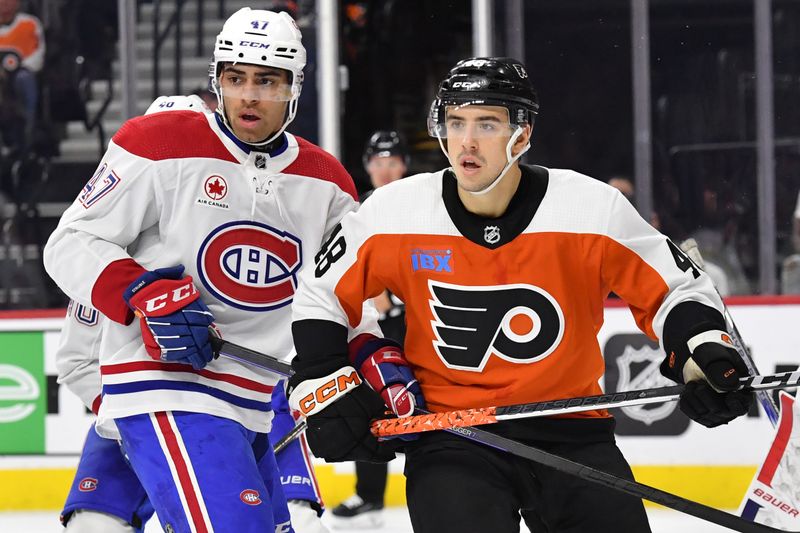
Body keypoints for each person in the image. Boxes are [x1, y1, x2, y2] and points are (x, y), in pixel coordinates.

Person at [285, 57, 753, 533]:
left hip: (571, 429)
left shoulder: (590, 209)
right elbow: (321, 296)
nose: (465, 141)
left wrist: (701, 350)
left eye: (486, 123)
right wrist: (324, 379)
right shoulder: (394, 213)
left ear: (523, 136)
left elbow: (676, 288)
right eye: (455, 122)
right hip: (452, 438)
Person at [44, 8, 380, 532]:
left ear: (294, 87)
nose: (249, 95)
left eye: (267, 81)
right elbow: (70, 240)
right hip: (166, 387)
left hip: (256, 402)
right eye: (236, 78)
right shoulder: (157, 143)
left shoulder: (329, 184)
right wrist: (140, 292)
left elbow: (339, 295)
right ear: (217, 81)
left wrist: (370, 355)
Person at [55, 97, 326, 533]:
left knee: (288, 518)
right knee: (93, 524)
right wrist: (120, 412)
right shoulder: (100, 257)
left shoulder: (228, 234)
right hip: (134, 417)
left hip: (247, 406)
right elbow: (75, 361)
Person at [330, 130, 409, 528]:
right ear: (366, 166)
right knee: (373, 406)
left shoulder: (422, 204)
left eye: (392, 161)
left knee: (435, 401)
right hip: (373, 325)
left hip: (419, 322)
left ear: (404, 165)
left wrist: (395, 297)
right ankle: (370, 493)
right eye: (377, 162)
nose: (385, 169)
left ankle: (443, 482)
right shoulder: (357, 209)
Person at [0, 0, 45, 150]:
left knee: (24, 79)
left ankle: (27, 131)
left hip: (21, 75)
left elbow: (38, 55)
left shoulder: (30, 23)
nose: (5, 3)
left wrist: (16, 69)